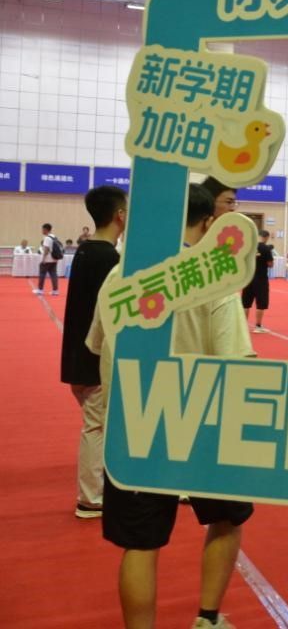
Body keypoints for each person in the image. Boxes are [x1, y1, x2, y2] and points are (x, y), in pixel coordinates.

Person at [87, 184, 256, 629]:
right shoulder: (215, 277)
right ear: (207, 223)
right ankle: (207, 619)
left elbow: (96, 344)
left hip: (133, 425)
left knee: (140, 544)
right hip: (203, 423)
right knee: (226, 518)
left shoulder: (120, 274)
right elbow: (236, 360)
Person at [60, 185, 127, 520]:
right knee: (96, 426)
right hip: (96, 357)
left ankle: (99, 489)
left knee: (98, 424)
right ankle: (90, 497)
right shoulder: (111, 261)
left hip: (78, 354)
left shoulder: (85, 251)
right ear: (120, 215)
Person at [241, 230, 274, 333]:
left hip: (248, 278)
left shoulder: (248, 246)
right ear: (266, 237)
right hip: (261, 279)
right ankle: (258, 326)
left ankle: (243, 327)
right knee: (261, 303)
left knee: (246, 303)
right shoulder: (266, 248)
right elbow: (270, 264)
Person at [35, 222, 60, 295]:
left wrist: (43, 259)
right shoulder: (54, 237)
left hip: (47, 259)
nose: (42, 231)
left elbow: (46, 249)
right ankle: (55, 291)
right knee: (54, 275)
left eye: (42, 229)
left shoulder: (47, 238)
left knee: (42, 274)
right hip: (54, 258)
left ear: (45, 229)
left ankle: (40, 290)